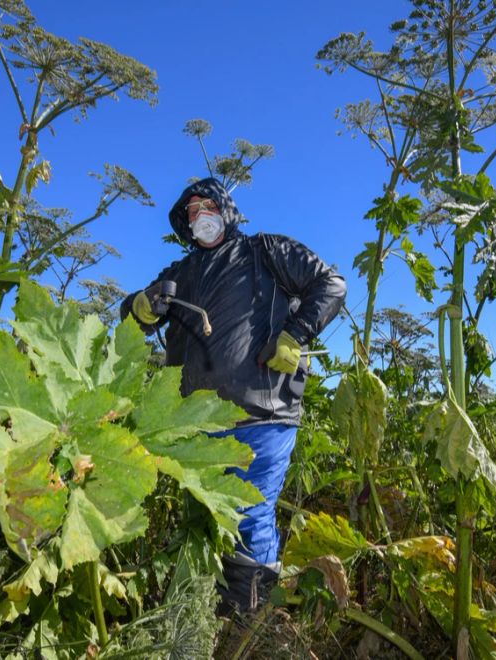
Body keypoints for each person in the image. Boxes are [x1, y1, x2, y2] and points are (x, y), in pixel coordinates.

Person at [121, 178, 346, 614]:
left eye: (208, 205)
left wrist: (294, 334)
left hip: (261, 413)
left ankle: (248, 622)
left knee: (248, 514)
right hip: (195, 423)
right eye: (191, 212)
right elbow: (136, 310)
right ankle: (202, 621)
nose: (201, 216)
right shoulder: (181, 273)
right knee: (203, 521)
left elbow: (330, 284)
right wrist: (138, 307)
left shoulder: (265, 252)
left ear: (225, 208)